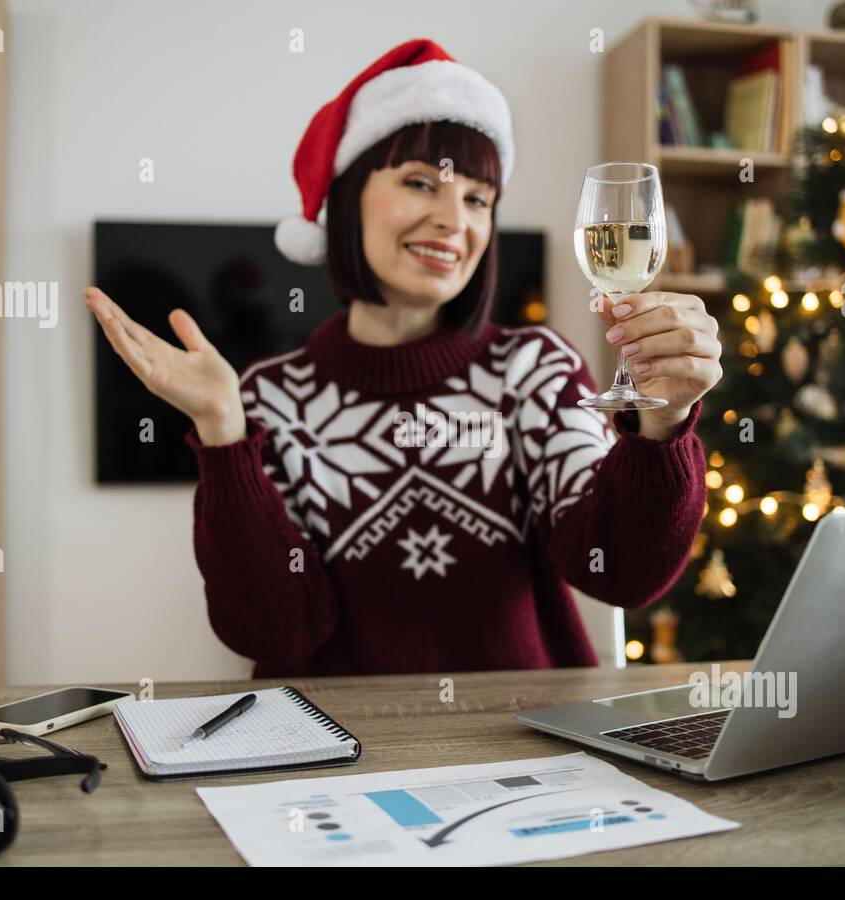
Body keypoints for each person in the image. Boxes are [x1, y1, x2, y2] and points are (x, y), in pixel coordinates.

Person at [86, 38, 721, 677]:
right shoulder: (270, 397)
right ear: (346, 202)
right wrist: (224, 435)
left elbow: (620, 574)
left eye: (478, 198)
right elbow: (271, 630)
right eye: (422, 183)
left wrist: (663, 427)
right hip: (328, 752)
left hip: (526, 745)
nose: (454, 220)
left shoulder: (534, 369)